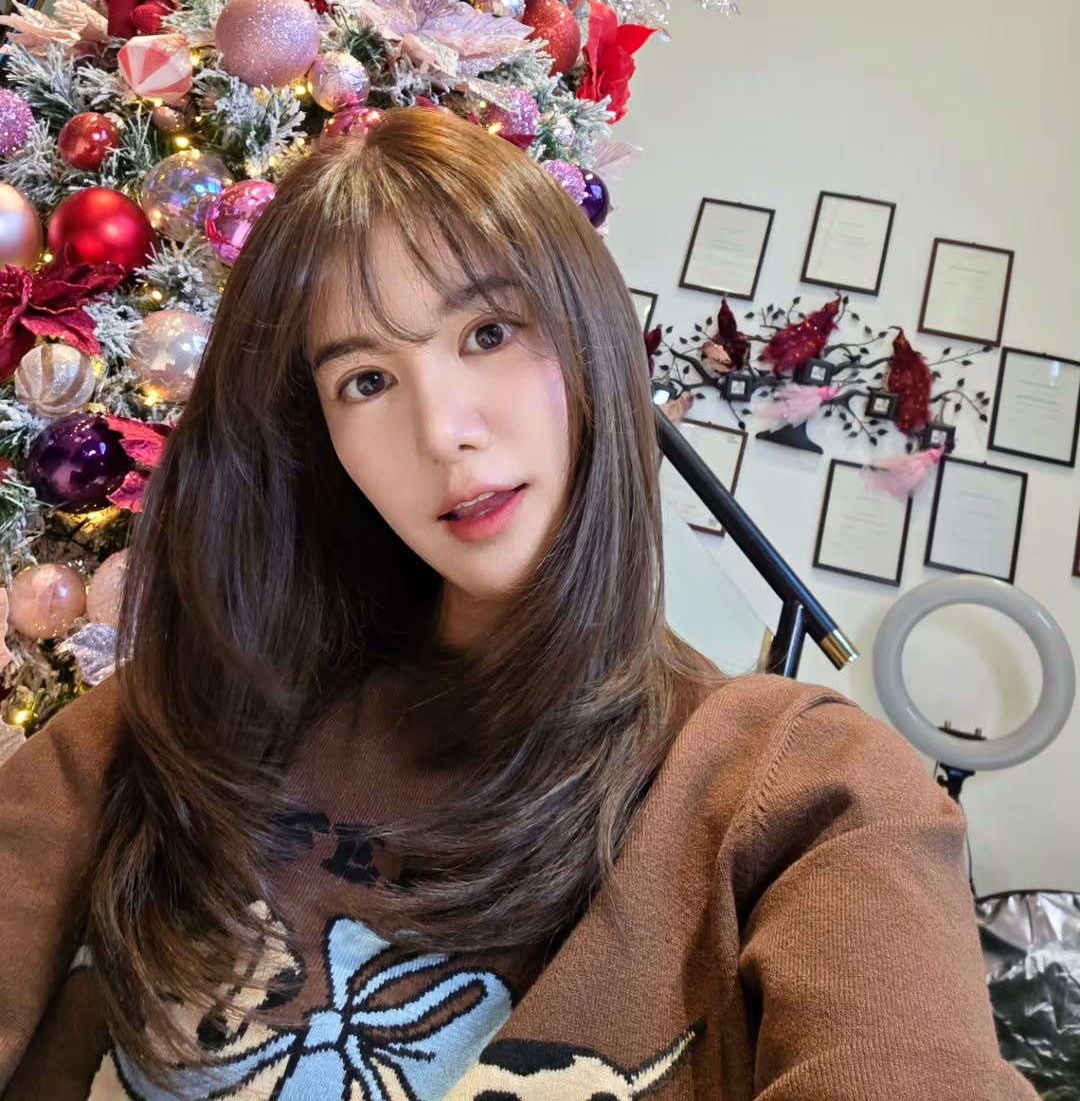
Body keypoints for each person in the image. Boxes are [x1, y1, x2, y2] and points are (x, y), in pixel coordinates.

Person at [0, 111, 1035, 1099]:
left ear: (591, 347)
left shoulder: (804, 792)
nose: (442, 429)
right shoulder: (187, 713)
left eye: (489, 331)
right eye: (365, 381)